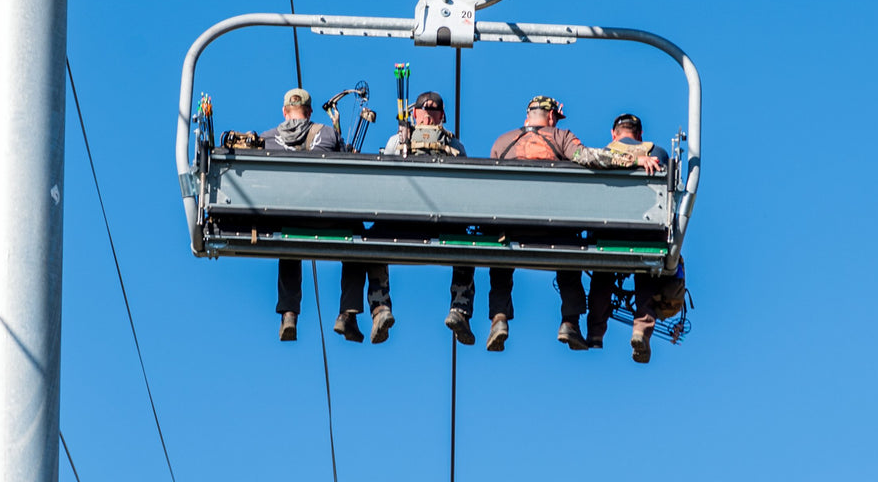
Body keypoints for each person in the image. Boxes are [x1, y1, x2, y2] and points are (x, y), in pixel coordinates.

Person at [483, 96, 663, 352]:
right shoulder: (561, 136)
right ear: (551, 116)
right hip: (555, 229)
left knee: (500, 261)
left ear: (528, 116)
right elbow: (590, 158)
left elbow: (489, 187)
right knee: (571, 256)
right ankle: (570, 322)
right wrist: (634, 161)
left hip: (510, 228)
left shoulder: (502, 142)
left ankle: (499, 318)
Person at [264, 89, 394, 344]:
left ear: (284, 112)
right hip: (328, 218)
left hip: (287, 218)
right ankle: (347, 313)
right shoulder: (327, 133)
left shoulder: (267, 139)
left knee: (287, 241)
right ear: (309, 111)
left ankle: (289, 314)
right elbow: (346, 169)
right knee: (357, 236)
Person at [561, 113, 672, 360]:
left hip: (607, 232)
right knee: (648, 273)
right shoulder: (658, 153)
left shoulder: (602, 155)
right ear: (640, 134)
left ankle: (595, 334)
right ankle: (641, 330)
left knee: (602, 276)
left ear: (614, 134)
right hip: (647, 231)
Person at [382, 92, 481, 346]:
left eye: (432, 110)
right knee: (466, 247)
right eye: (424, 110)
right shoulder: (446, 143)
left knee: (370, 241)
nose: (427, 115)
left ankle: (457, 311)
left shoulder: (448, 145)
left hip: (419, 218)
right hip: (425, 217)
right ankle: (382, 310)